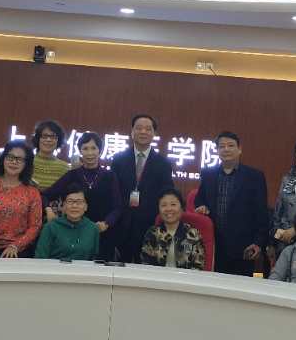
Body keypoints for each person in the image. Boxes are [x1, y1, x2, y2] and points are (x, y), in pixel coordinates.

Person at [194, 131, 269, 276]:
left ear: (239, 149)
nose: (226, 149)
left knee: (239, 286)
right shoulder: (208, 174)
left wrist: (258, 242)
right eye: (221, 146)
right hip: (214, 244)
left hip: (243, 246)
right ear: (217, 150)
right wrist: (201, 206)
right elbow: (199, 199)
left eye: (230, 145)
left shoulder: (254, 177)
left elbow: (261, 212)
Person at [41, 131, 124, 260]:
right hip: (73, 235)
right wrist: (49, 210)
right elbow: (45, 195)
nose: (90, 153)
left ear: (100, 151)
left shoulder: (110, 176)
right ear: (80, 151)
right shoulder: (71, 175)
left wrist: (107, 223)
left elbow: (118, 207)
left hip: (102, 233)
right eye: (85, 148)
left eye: (93, 148)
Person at [111, 114, 173, 262]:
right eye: (139, 128)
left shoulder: (163, 163)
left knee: (145, 267)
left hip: (149, 225)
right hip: (121, 224)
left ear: (154, 133)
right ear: (132, 132)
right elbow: (112, 191)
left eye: (148, 129)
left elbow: (167, 194)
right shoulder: (118, 160)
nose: (143, 132)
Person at [140, 188, 205, 270]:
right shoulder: (153, 233)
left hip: (186, 277)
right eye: (164, 205)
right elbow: (146, 264)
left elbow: (198, 266)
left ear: (181, 208)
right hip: (157, 277)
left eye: (173, 204)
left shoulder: (193, 234)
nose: (168, 209)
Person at [34, 183, 100, 261]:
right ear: (64, 206)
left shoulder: (93, 228)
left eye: (79, 202)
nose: (74, 206)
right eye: (70, 201)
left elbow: (94, 259)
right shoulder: (50, 227)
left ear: (86, 207)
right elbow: (40, 258)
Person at [31, 120, 69, 189]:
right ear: (38, 138)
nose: (48, 140)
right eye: (45, 136)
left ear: (58, 140)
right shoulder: (27, 162)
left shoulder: (65, 168)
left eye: (53, 137)